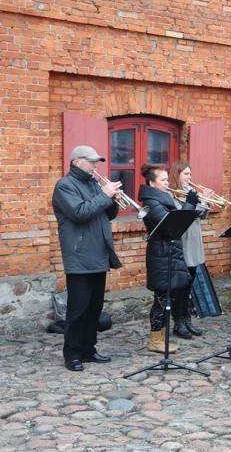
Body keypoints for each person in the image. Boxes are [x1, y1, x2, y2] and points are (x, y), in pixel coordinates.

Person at [52, 145, 122, 371]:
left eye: (97, 161)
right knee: (77, 309)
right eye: (91, 161)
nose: (95, 165)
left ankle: (88, 349)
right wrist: (105, 196)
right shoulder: (64, 186)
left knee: (94, 308)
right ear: (76, 161)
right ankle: (72, 354)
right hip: (79, 256)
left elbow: (106, 215)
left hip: (98, 253)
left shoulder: (93, 184)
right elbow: (79, 213)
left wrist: (114, 200)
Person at [138, 164, 197, 354]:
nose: (166, 183)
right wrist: (189, 205)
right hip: (160, 254)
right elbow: (173, 226)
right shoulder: (151, 202)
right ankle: (155, 340)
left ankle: (162, 335)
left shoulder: (161, 200)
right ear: (151, 182)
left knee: (166, 297)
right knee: (161, 299)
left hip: (167, 252)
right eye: (163, 180)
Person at [168, 161, 211, 339]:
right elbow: (181, 217)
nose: (189, 177)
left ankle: (187, 320)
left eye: (190, 174)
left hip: (194, 239)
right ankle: (178, 322)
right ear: (176, 175)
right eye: (186, 174)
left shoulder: (189, 193)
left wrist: (205, 199)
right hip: (182, 241)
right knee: (180, 285)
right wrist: (193, 202)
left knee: (189, 283)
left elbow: (201, 214)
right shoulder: (172, 195)